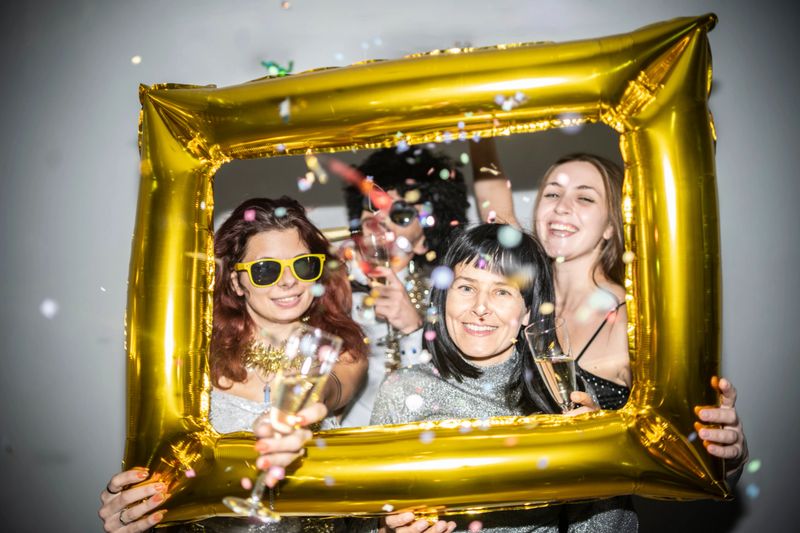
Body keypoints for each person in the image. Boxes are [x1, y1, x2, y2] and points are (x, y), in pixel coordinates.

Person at [469, 140, 748, 473]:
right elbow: (492, 190)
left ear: (612, 225)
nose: (561, 208)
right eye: (553, 194)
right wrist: (477, 131)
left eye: (585, 198)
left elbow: (689, 451)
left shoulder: (640, 322)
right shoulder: (518, 286)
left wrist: (730, 454)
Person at [98, 197, 369, 532]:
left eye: (303, 265)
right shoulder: (194, 359)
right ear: (236, 282)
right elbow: (168, 463)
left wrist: (306, 404)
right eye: (266, 269)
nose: (289, 281)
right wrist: (136, 505)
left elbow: (333, 386)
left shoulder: (342, 348)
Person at [368, 223, 636, 532]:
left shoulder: (564, 391)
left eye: (502, 291)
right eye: (466, 288)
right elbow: (372, 517)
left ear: (526, 311)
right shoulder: (401, 392)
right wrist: (389, 528)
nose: (480, 307)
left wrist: (602, 465)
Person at [337, 146, 470, 427]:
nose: (380, 218)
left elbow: (450, 392)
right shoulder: (324, 277)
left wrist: (413, 328)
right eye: (374, 203)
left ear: (425, 239)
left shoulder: (448, 295)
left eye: (401, 214)